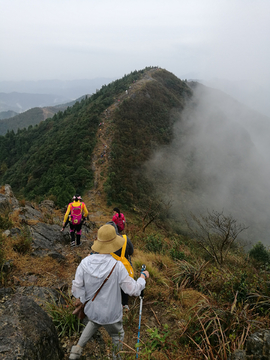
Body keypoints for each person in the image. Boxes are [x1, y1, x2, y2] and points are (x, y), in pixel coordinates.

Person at [69, 224, 149, 360]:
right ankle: (116, 357)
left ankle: (76, 351)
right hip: (111, 315)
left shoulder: (84, 263)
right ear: (114, 243)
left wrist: (82, 299)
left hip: (92, 310)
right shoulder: (117, 266)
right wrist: (143, 278)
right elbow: (133, 290)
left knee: (93, 322)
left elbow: (76, 289)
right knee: (117, 335)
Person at [106, 221, 134, 310]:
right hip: (123, 267)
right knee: (124, 283)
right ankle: (124, 304)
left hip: (109, 270)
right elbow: (131, 252)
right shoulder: (125, 239)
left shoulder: (104, 242)